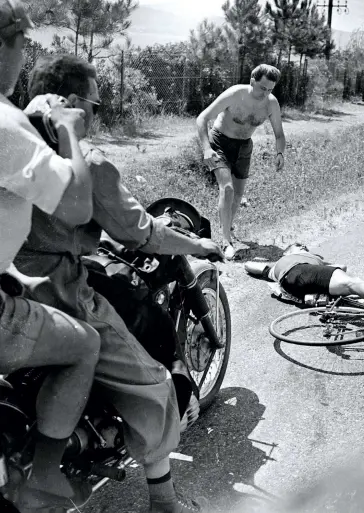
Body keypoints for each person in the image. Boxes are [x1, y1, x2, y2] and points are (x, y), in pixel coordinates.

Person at [15, 54, 224, 513]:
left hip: (11, 282)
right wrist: (195, 246)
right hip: (56, 288)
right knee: (152, 383)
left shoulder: (13, 136)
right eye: (95, 105)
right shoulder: (88, 161)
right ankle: (163, 500)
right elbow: (139, 233)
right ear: (70, 102)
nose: (96, 115)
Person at [0, 1, 104, 510]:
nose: (23, 55)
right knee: (85, 344)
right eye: (21, 43)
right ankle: (44, 474)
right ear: (6, 45)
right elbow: (81, 207)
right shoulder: (6, 125)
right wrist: (70, 133)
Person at [196, 64, 286, 260]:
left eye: (270, 89)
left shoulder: (271, 103)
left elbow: (279, 134)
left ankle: (227, 228)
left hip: (244, 147)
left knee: (237, 195)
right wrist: (206, 149)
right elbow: (202, 118)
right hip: (219, 142)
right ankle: (226, 241)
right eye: (263, 88)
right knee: (226, 188)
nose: (266, 93)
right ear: (252, 81)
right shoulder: (235, 94)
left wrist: (280, 153)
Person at [245, 243, 364, 310]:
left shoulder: (278, 265)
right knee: (352, 282)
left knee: (344, 295)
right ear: (289, 250)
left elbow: (251, 266)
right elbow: (342, 267)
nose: (305, 247)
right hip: (303, 271)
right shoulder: (301, 258)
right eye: (300, 246)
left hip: (291, 284)